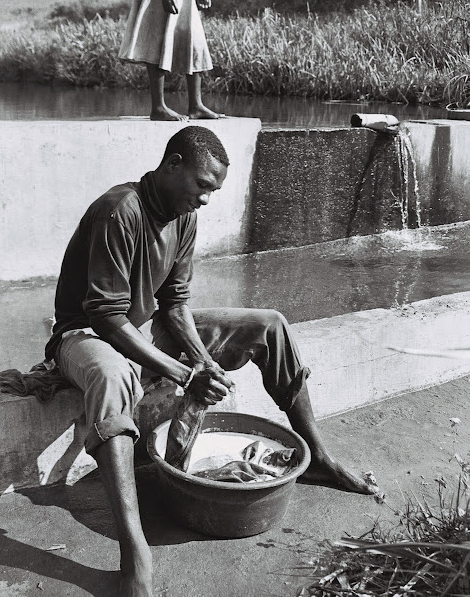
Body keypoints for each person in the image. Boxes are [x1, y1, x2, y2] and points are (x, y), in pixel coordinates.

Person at [45, 125, 378, 597]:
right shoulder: (120, 209)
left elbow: (175, 304)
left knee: (270, 324)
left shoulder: (183, 216)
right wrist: (181, 371)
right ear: (173, 164)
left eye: (213, 191)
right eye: (203, 185)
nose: (206, 199)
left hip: (142, 327)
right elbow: (104, 316)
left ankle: (319, 456)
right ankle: (133, 550)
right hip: (85, 334)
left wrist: (203, 363)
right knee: (115, 374)